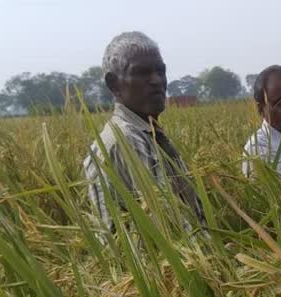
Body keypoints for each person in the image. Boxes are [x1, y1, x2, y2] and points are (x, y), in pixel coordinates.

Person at [83, 31, 204, 232]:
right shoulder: (128, 139)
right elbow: (173, 229)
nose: (156, 80)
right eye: (142, 73)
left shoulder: (148, 134)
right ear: (114, 84)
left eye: (160, 71)